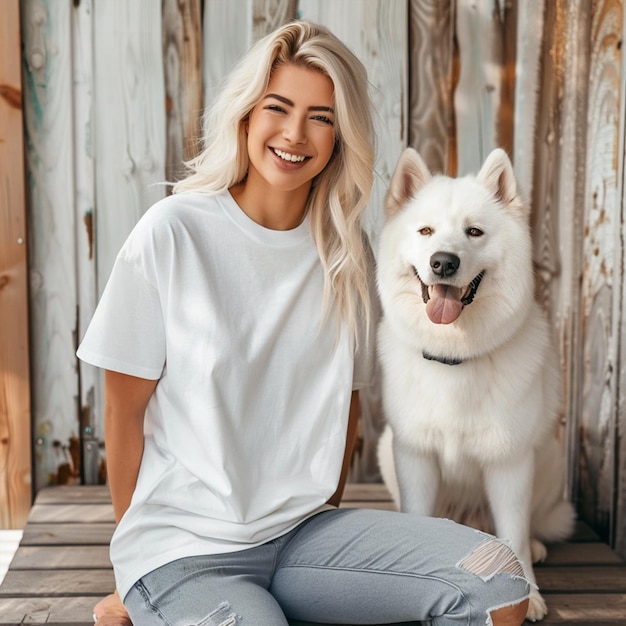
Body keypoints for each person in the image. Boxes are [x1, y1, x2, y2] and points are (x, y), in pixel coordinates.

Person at [78, 20, 530, 626]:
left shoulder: (348, 258)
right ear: (246, 115)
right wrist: (133, 570)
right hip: (185, 552)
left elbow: (343, 411)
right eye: (278, 107)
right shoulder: (172, 233)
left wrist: (330, 567)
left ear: (341, 134)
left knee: (497, 582)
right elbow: (123, 412)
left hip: (304, 540)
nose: (295, 133)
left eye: (321, 116)